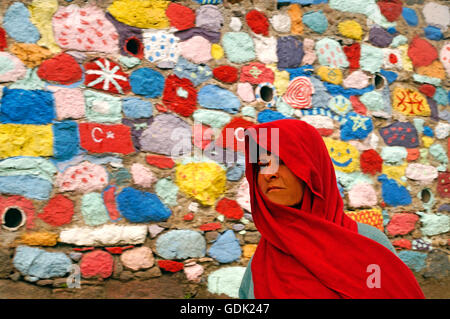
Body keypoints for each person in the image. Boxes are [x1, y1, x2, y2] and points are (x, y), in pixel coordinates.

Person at [239, 119, 425, 299]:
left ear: (314, 168)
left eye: (283, 160)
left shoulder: (368, 244)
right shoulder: (261, 263)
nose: (270, 173)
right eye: (263, 164)